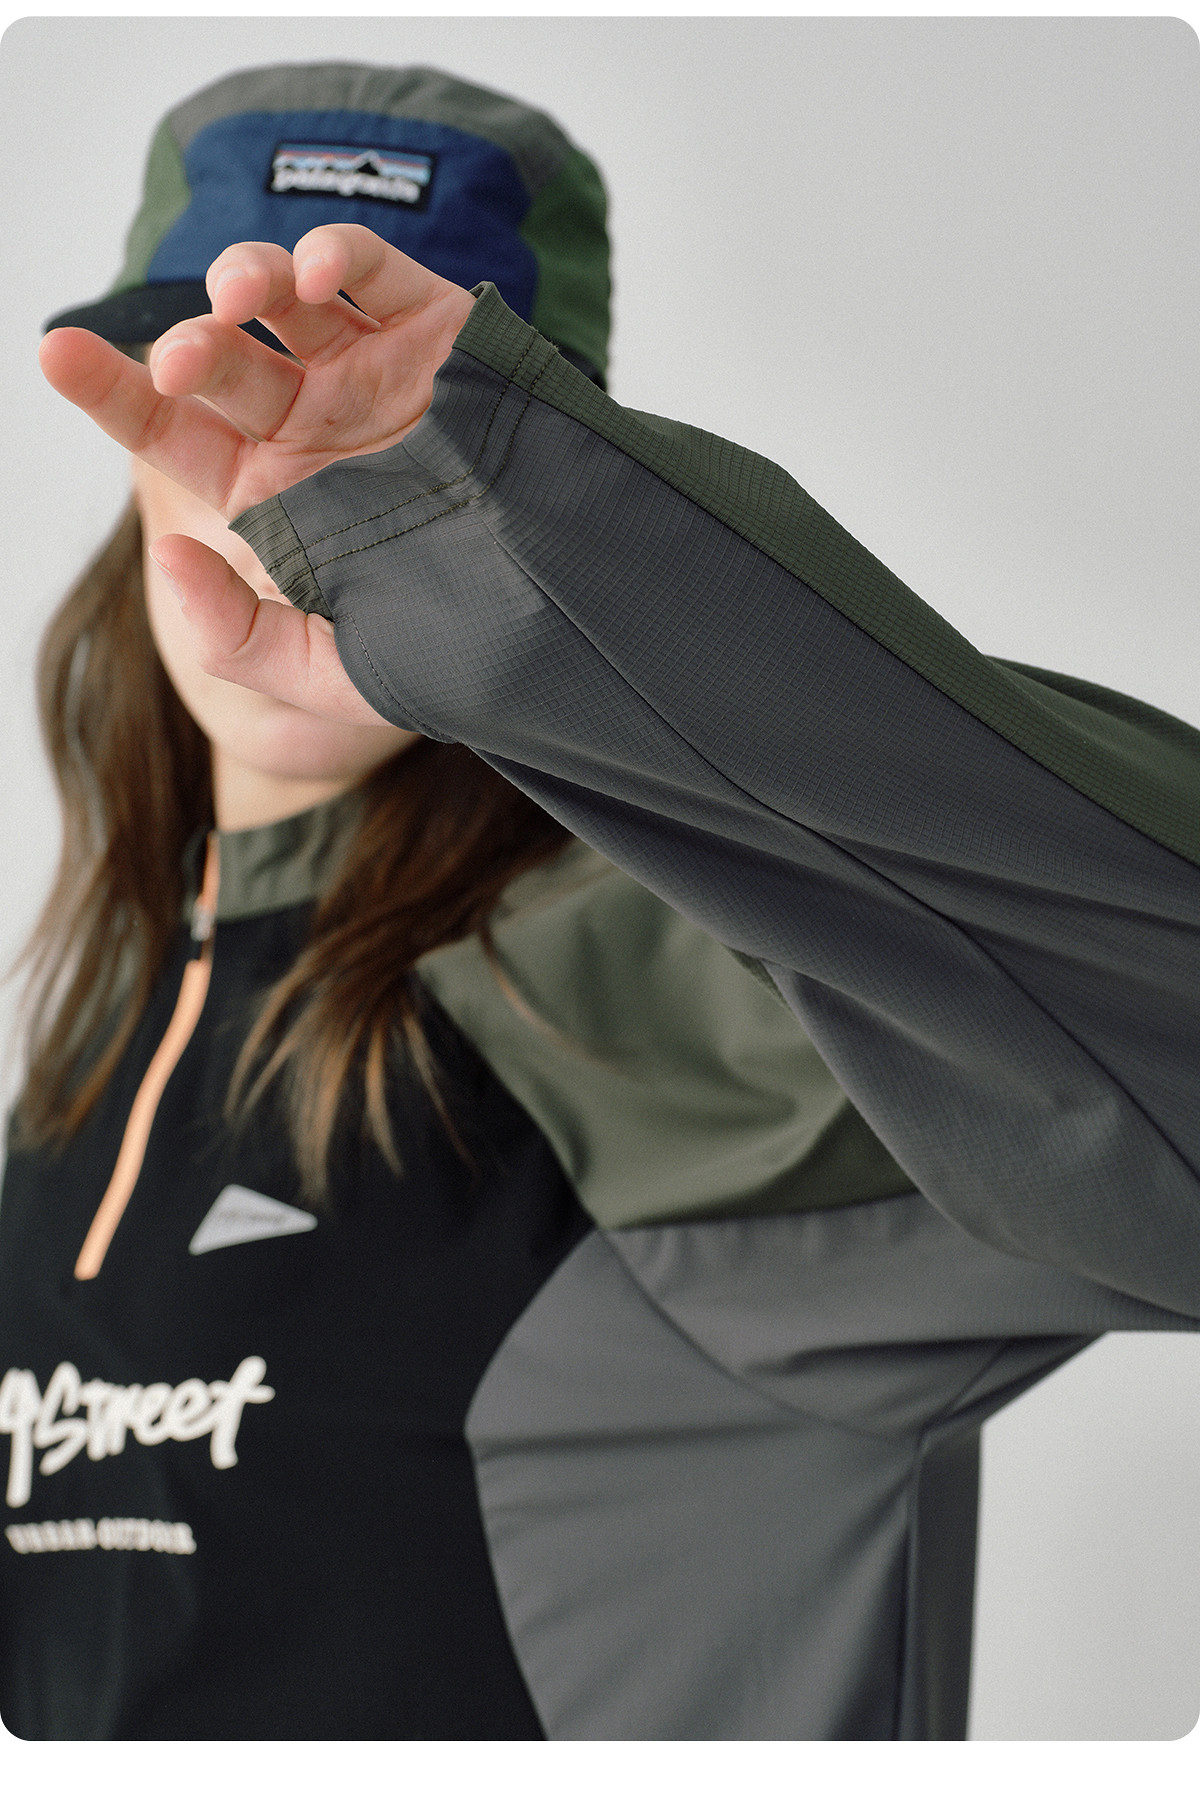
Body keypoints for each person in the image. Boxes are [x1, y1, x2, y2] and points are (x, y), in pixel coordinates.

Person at [7, 58, 1200, 1742]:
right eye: (227, 392)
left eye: (377, 439)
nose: (289, 504)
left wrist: (568, 624)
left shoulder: (679, 998)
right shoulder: (99, 1042)